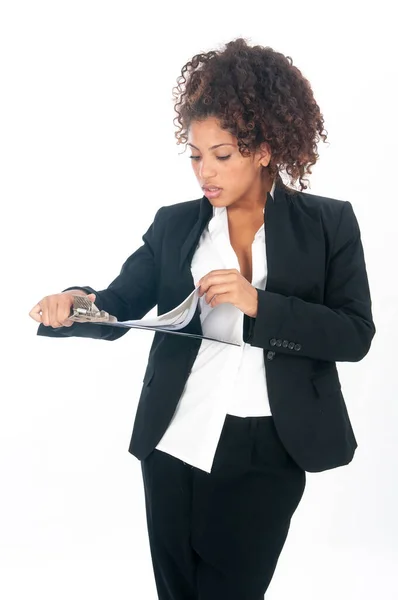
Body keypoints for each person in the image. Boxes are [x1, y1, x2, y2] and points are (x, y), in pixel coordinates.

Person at [29, 38, 376, 600]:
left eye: (222, 154)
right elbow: (120, 300)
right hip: (174, 437)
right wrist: (75, 300)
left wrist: (259, 303)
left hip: (270, 442)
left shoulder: (328, 224)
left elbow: (354, 334)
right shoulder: (174, 226)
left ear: (264, 149)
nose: (204, 171)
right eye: (195, 154)